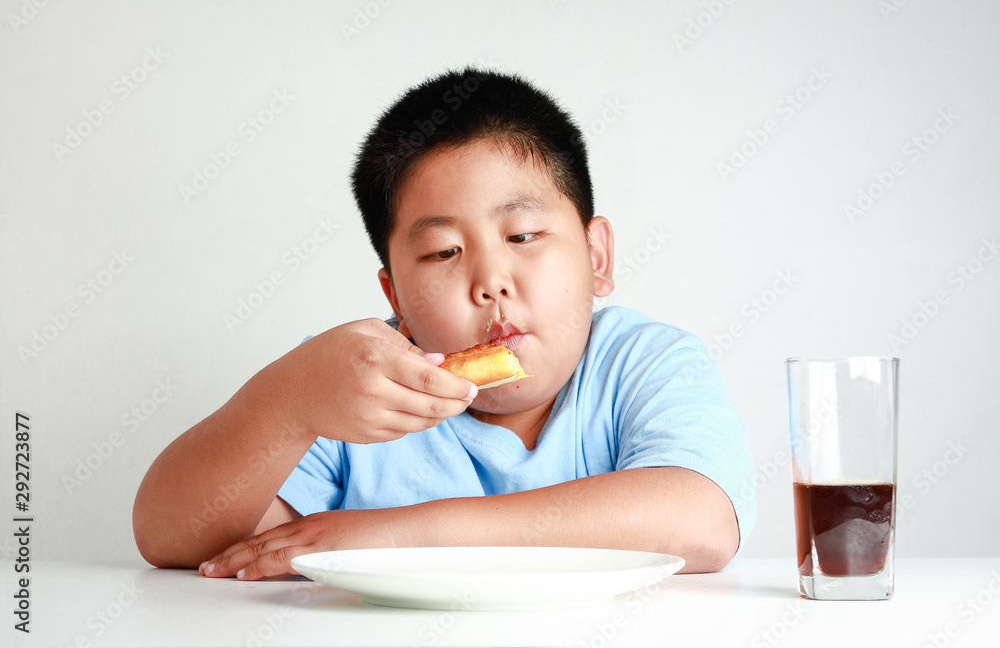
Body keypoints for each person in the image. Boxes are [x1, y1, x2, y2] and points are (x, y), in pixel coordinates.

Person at [132, 68, 756, 580]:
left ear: (597, 257)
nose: (491, 280)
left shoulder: (646, 363)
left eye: (523, 235)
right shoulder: (350, 383)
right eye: (442, 252)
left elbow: (700, 520)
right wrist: (285, 404)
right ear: (395, 298)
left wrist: (401, 536)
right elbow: (172, 536)